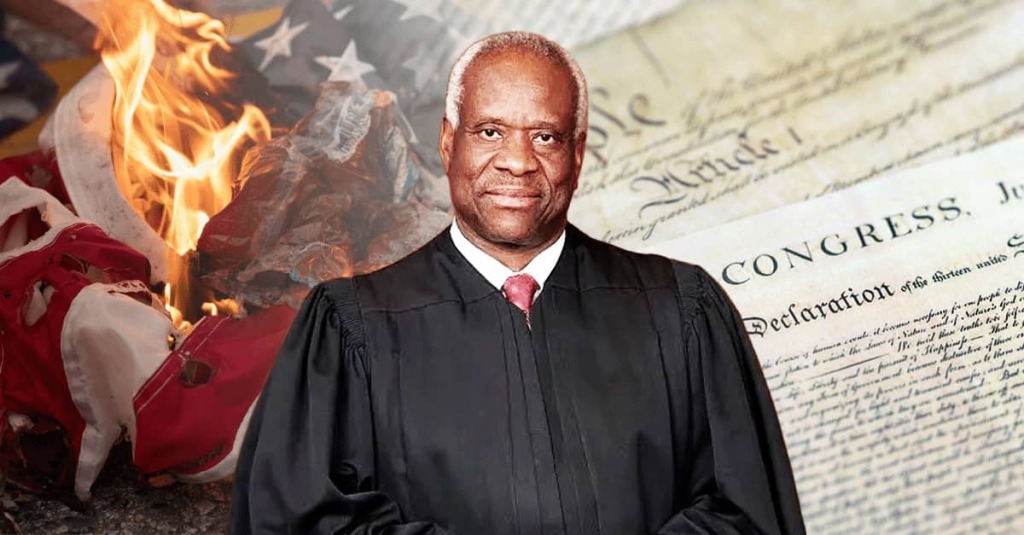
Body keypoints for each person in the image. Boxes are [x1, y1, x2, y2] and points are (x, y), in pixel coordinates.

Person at [230, 31, 805, 534]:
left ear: (577, 154)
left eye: (545, 137)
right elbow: (301, 519)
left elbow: (747, 510)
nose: (518, 162)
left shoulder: (680, 309)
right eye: (490, 131)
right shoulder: (352, 326)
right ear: (448, 142)